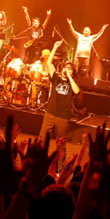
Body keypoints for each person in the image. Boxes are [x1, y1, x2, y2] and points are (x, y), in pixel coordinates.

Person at [38, 40, 80, 172]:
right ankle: (39, 163)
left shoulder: (72, 83)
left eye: (70, 68)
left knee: (61, 143)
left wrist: (70, 77)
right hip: (50, 113)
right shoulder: (56, 78)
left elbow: (77, 91)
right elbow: (49, 64)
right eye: (65, 67)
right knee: (42, 139)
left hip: (63, 117)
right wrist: (55, 48)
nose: (66, 69)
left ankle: (60, 169)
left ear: (73, 72)